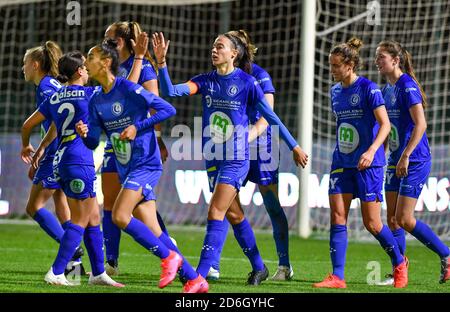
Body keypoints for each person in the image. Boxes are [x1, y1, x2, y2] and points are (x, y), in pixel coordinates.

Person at [152, 31, 308, 285]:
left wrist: (295, 146)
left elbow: (270, 117)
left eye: (220, 47)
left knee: (215, 210)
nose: (214, 50)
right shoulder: (205, 81)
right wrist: (161, 63)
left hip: (237, 158)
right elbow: (170, 91)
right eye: (213, 46)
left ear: (233, 54)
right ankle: (259, 267)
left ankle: (199, 277)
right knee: (234, 215)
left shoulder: (247, 82)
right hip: (213, 156)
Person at [76, 39, 208, 293]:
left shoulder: (127, 88)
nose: (86, 61)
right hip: (127, 167)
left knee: (119, 215)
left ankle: (169, 259)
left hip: (146, 163)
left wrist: (138, 126)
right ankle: (194, 279)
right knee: (155, 230)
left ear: (105, 62)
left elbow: (167, 109)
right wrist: (84, 133)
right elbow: (94, 142)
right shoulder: (95, 100)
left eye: (90, 57)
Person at [312, 38, 408, 289]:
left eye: (336, 66)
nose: (332, 70)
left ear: (350, 65)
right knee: (337, 216)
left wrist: (372, 151)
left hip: (369, 164)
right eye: (330, 65)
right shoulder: (334, 92)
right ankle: (337, 276)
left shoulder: (369, 89)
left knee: (373, 223)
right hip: (341, 162)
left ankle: (399, 263)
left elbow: (385, 125)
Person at [29, 51, 122, 286]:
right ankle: (57, 271)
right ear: (80, 71)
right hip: (78, 159)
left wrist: (36, 148)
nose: (88, 70)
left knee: (92, 217)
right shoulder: (90, 94)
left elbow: (33, 124)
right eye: (86, 67)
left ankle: (98, 273)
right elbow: (117, 87)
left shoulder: (56, 96)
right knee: (80, 219)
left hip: (64, 158)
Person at [207, 30, 293, 281]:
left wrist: (245, 137)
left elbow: (268, 116)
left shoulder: (258, 76)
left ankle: (284, 265)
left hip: (261, 145)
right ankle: (212, 264)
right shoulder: (220, 76)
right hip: (233, 148)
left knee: (271, 203)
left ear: (239, 50)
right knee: (224, 204)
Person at [374, 40, 449, 285]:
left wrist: (405, 155)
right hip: (395, 161)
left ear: (395, 60)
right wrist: (382, 155)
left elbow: (421, 124)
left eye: (381, 57)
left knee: (405, 219)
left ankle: (447, 256)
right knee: (393, 220)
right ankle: (399, 269)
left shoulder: (407, 85)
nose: (377, 62)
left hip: (414, 160)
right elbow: (387, 127)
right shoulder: (387, 89)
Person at [101, 22, 170, 275]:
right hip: (114, 144)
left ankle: (169, 251)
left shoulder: (145, 68)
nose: (107, 44)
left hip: (139, 146)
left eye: (112, 40)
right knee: (109, 203)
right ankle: (111, 263)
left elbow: (156, 106)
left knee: (141, 210)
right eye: (105, 40)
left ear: (127, 43)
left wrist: (159, 138)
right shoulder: (110, 68)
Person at [20, 41, 84, 275]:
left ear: (36, 65)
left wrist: (37, 150)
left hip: (57, 150)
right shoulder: (52, 84)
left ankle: (73, 250)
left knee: (33, 207)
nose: (22, 68)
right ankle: (76, 269)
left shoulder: (47, 87)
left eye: (25, 64)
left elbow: (56, 120)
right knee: (61, 204)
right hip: (66, 148)